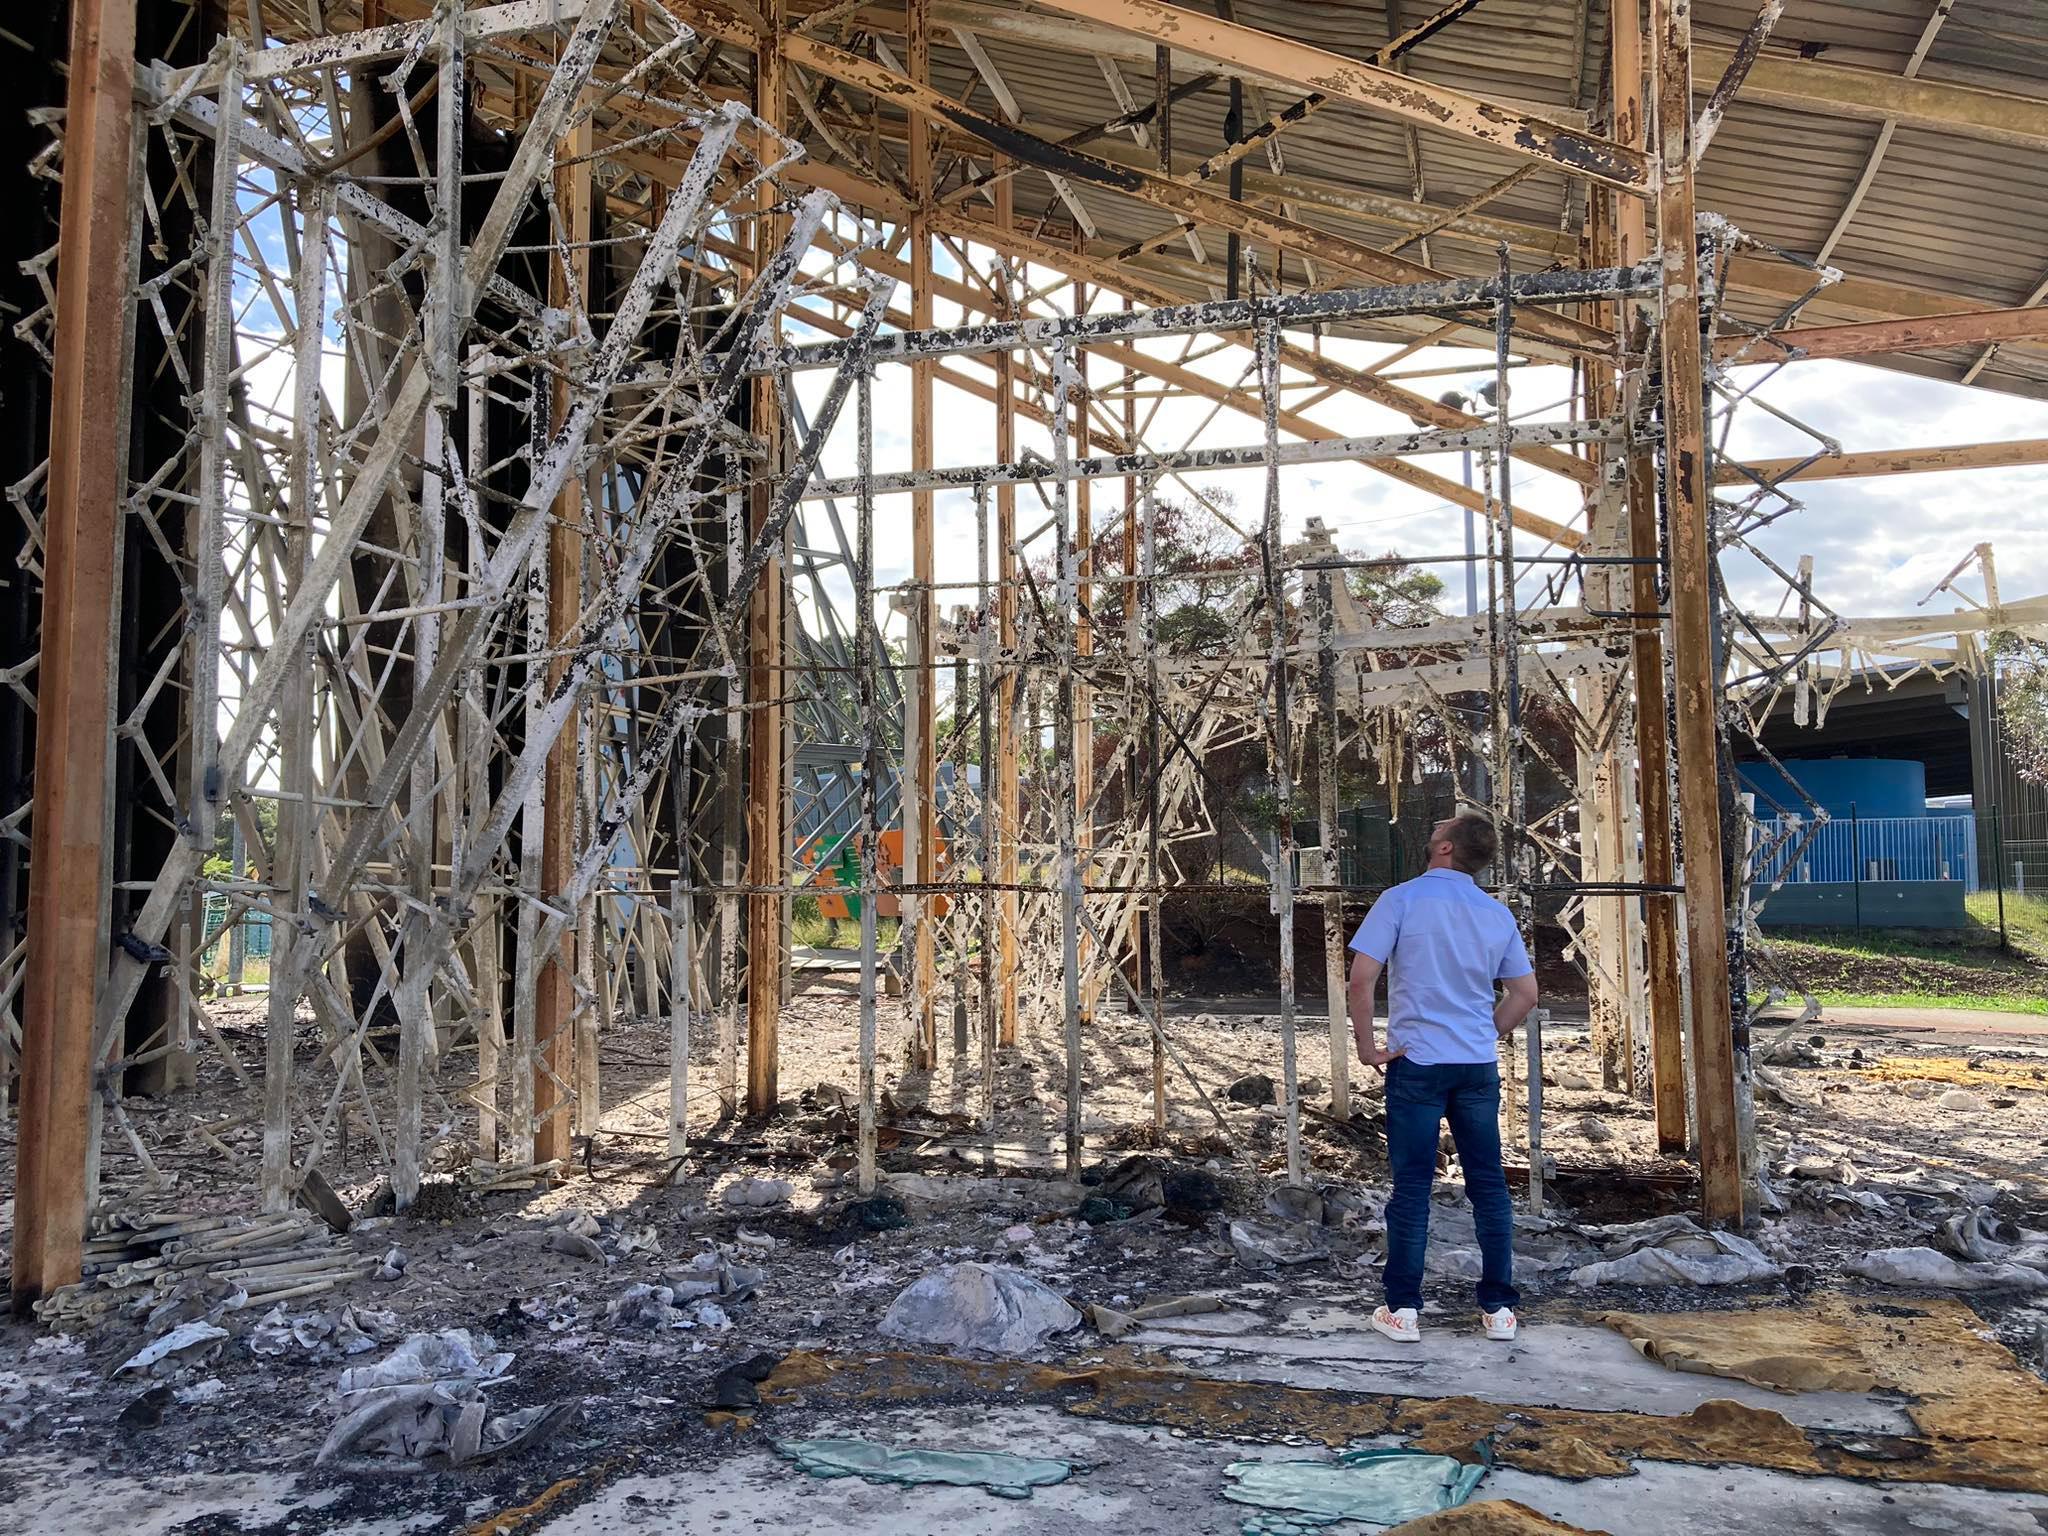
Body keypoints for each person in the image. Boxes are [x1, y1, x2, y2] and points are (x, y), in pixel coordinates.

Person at [1346, 811, 1539, 1344]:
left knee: (1412, 1186)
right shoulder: (1495, 913)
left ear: (1447, 848)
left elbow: (1361, 980)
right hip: (1475, 1066)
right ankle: (1500, 1311)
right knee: (1489, 1184)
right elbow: (1525, 994)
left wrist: (1368, 1046)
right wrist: (1486, 1033)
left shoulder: (1401, 900)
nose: (1433, 827)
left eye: (1442, 827)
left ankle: (1403, 1310)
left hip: (1417, 1063)